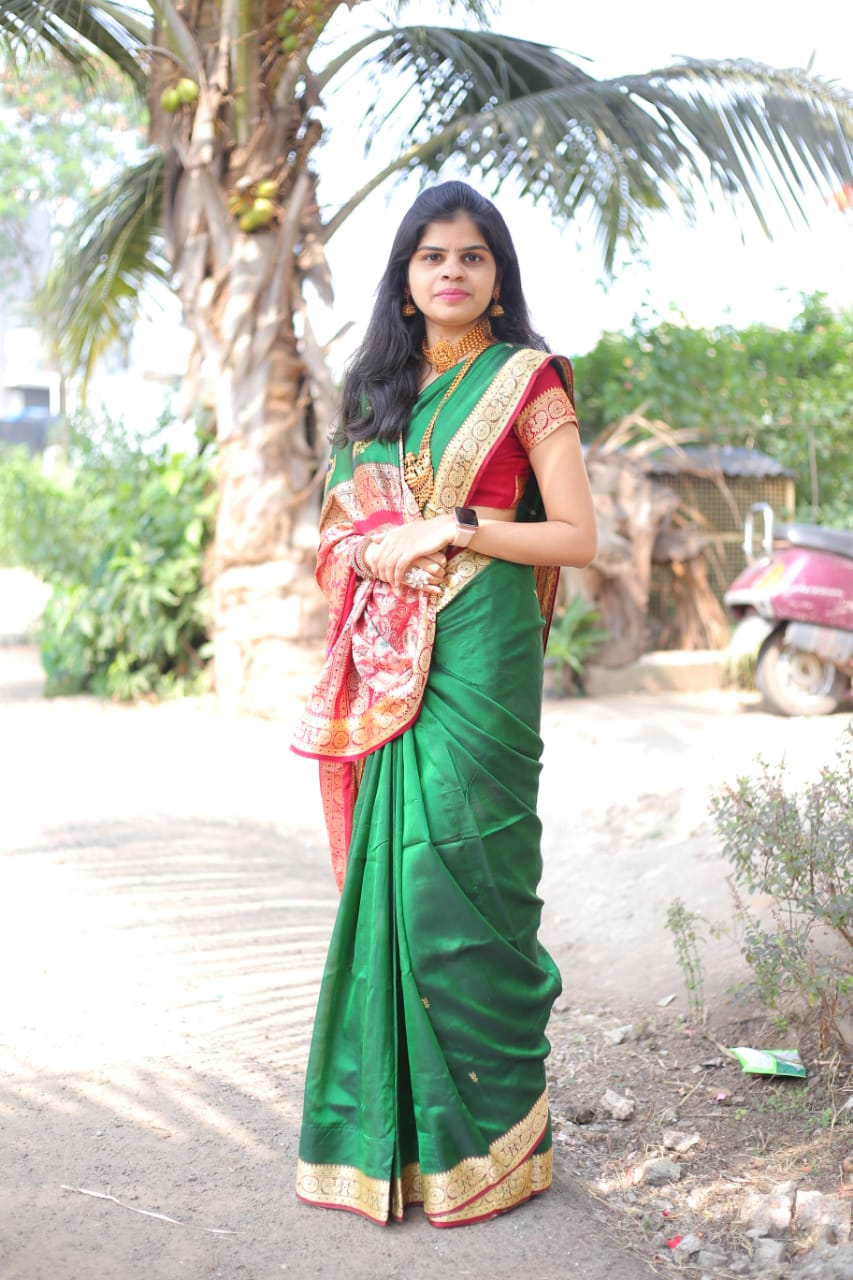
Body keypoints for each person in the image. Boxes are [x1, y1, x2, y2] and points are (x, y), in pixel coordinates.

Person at [291, 180, 597, 1228]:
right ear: (406, 278)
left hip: (481, 656)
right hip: (391, 661)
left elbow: (575, 537)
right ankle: (397, 1145)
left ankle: (493, 1148)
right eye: (432, 256)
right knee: (395, 887)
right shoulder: (375, 392)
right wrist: (374, 547)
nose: (452, 271)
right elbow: (335, 536)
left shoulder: (527, 382)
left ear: (497, 276)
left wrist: (453, 525)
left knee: (458, 882)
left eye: (472, 255)